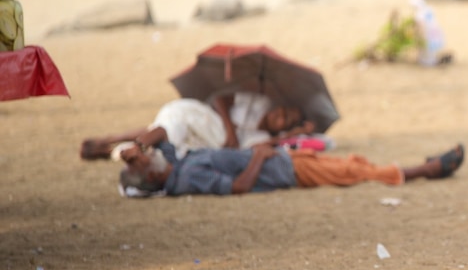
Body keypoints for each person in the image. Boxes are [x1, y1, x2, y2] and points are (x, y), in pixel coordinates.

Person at [118, 139, 465, 197]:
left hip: (283, 160)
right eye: (146, 161)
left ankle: (422, 166)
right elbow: (237, 188)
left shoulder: (177, 165)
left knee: (351, 163)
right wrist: (259, 157)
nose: (150, 156)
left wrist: (132, 149)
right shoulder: (188, 176)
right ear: (151, 176)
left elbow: (161, 139)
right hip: (284, 172)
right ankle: (427, 170)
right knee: (352, 173)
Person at [80, 92, 315, 161]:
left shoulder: (263, 137)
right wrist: (231, 129)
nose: (279, 115)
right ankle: (120, 145)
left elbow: (259, 148)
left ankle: (115, 147)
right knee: (173, 121)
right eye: (283, 110)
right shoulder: (259, 101)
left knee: (167, 130)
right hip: (209, 118)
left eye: (287, 120)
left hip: (210, 139)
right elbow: (220, 99)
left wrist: (296, 134)